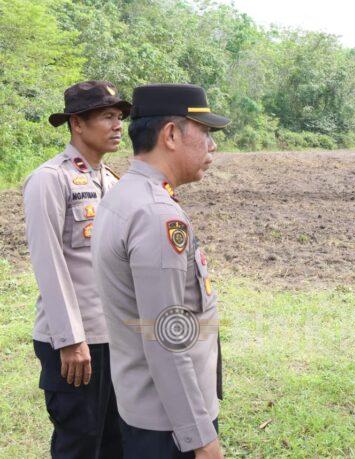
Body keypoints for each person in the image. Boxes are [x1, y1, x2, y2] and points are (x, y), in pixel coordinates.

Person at [92, 83, 230, 458]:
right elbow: (166, 339)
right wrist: (200, 438)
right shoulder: (156, 214)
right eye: (205, 133)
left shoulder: (124, 195)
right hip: (169, 425)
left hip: (149, 409)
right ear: (171, 134)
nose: (212, 146)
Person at [22, 80, 131, 458]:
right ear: (77, 124)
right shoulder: (50, 179)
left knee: (115, 439)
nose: (117, 125)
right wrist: (70, 339)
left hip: (113, 336)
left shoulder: (114, 181)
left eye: (119, 117)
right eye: (106, 116)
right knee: (80, 441)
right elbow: (48, 261)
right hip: (73, 341)